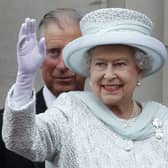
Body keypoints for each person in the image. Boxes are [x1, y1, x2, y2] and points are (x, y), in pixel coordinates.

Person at [2, 8, 168, 167]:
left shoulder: (162, 118)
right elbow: (22, 140)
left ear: (140, 71)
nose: (109, 75)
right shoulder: (70, 110)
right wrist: (24, 78)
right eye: (100, 64)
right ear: (90, 70)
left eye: (120, 64)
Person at [0, 8, 85, 168]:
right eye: (53, 52)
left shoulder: (108, 120)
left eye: (71, 53)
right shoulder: (5, 126)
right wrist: (24, 78)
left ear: (89, 58)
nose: (62, 65)